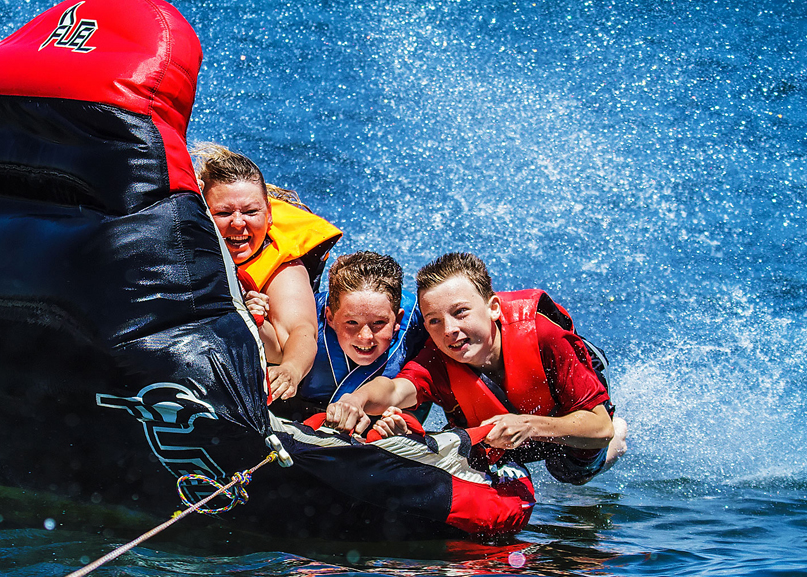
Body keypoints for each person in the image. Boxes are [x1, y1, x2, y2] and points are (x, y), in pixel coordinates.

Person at [324, 252, 628, 484]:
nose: (450, 330)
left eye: (461, 313)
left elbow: (599, 428)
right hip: (504, 436)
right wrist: (356, 399)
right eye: (435, 321)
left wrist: (529, 425)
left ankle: (618, 443)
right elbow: (394, 390)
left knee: (571, 473)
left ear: (493, 307)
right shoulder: (436, 359)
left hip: (565, 424)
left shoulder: (544, 337)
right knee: (471, 457)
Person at [192, 143, 341, 401]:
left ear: (269, 214)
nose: (239, 223)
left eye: (251, 212)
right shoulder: (182, 239)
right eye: (224, 212)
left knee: (251, 319)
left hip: (262, 374)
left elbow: (299, 331)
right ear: (203, 212)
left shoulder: (283, 267)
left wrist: (291, 370)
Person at [269, 251, 428, 421]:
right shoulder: (305, 316)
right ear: (330, 318)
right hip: (295, 412)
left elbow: (429, 386)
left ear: (398, 319)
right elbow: (268, 343)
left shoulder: (420, 327)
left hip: (375, 422)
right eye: (352, 323)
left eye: (379, 323)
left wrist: (408, 422)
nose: (365, 337)